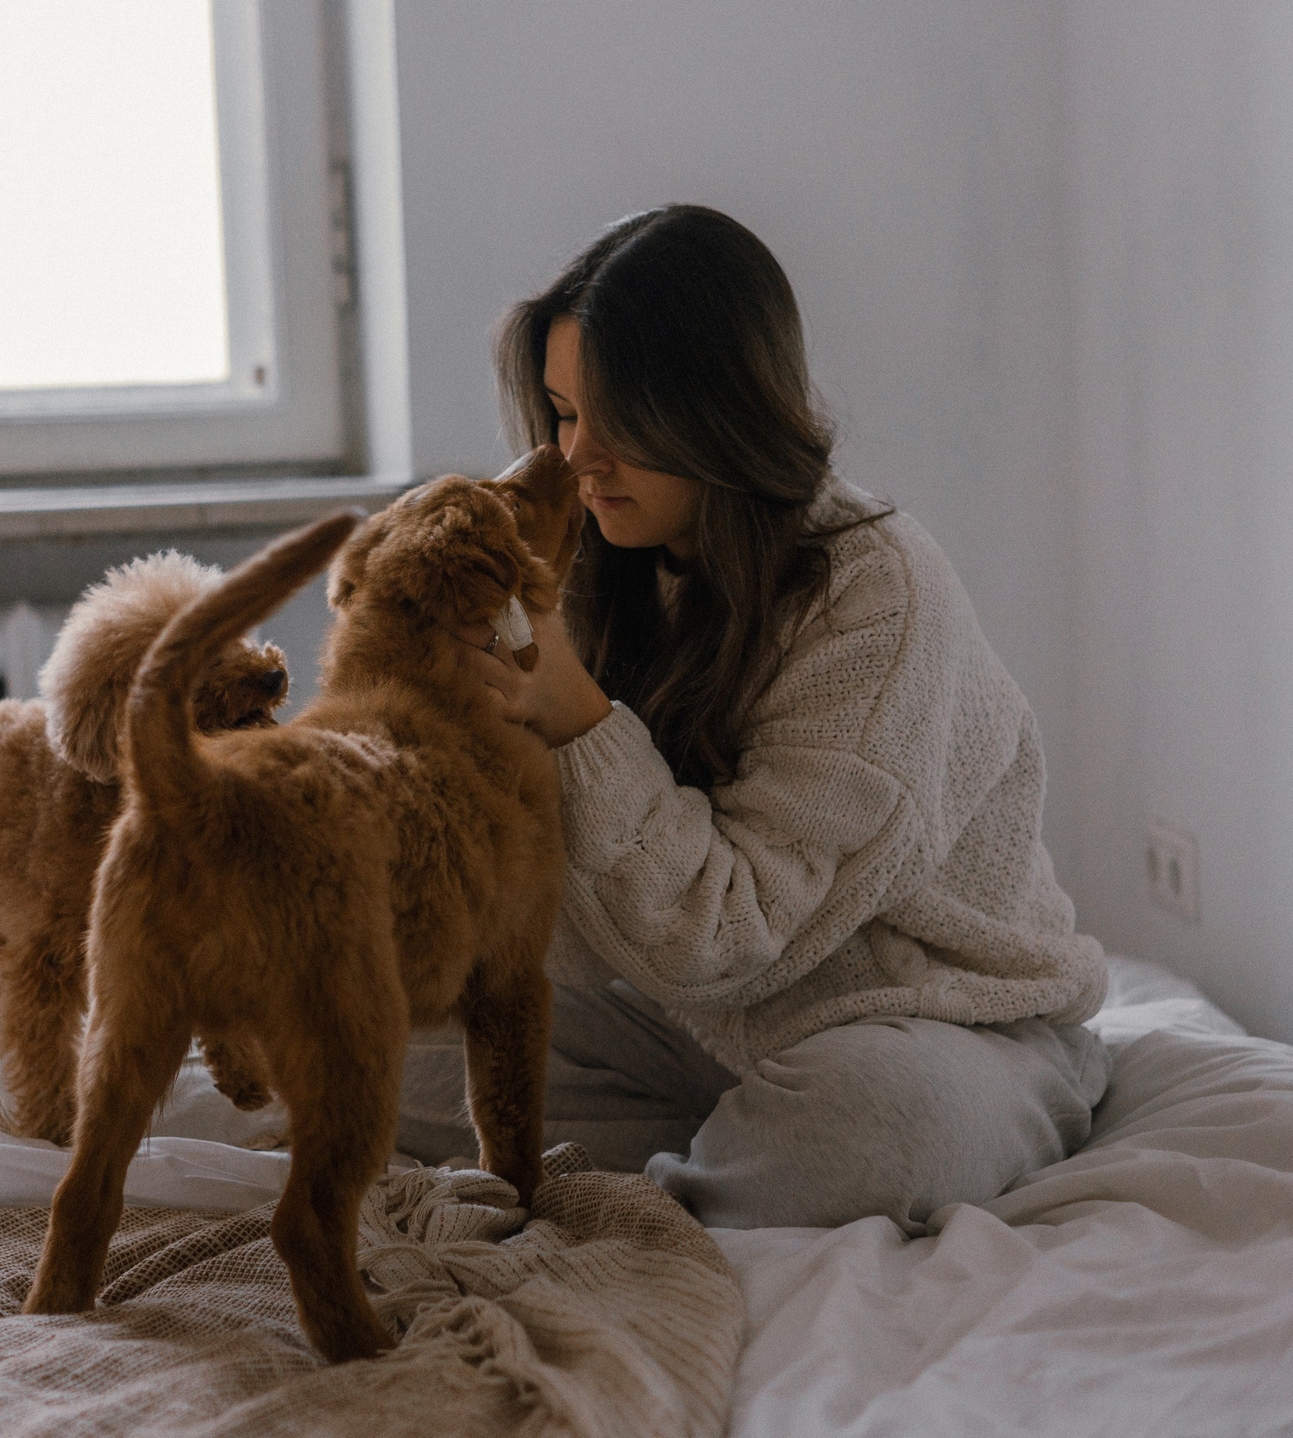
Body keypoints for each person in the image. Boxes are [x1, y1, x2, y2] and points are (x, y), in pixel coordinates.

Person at [406, 204, 1112, 1233]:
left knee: (872, 1127)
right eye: (561, 413)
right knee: (361, 1043)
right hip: (695, 1020)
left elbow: (726, 935)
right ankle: (708, 1154)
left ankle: (656, 1203)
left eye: (620, 423)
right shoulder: (606, 555)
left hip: (931, 1024)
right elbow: (591, 929)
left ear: (715, 413)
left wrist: (577, 724)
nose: (579, 459)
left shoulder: (874, 595)